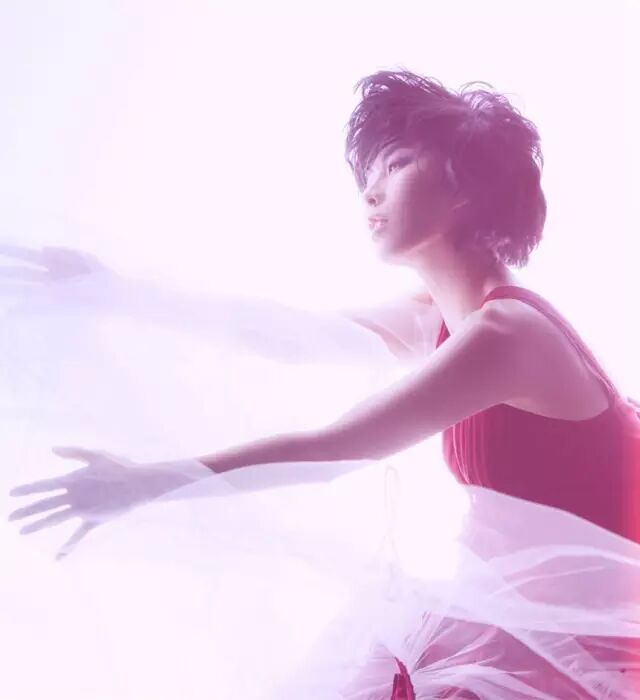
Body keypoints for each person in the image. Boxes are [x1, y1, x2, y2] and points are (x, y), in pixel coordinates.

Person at [5, 69, 640, 699]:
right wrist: (118, 291)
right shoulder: (440, 318)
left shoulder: (508, 334)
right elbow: (288, 335)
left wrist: (144, 482)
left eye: (396, 165)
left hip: (577, 648)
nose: (370, 193)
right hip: (511, 626)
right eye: (368, 177)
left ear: (463, 188)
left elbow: (333, 451)